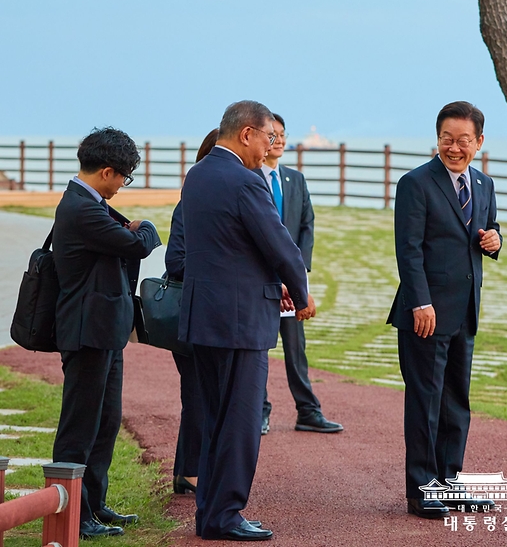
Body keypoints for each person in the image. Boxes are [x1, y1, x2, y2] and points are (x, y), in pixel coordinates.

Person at [178, 100, 315, 542]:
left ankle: (210, 514)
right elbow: (278, 244)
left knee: (214, 419)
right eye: (267, 138)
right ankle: (226, 515)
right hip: (240, 323)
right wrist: (301, 291)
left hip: (203, 317)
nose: (269, 147)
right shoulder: (245, 180)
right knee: (239, 423)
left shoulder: (196, 175)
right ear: (246, 134)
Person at [387, 101, 502, 519]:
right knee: (425, 402)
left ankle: (451, 485)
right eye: (447, 139)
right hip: (425, 314)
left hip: (465, 313)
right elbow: (409, 251)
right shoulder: (415, 184)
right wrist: (421, 302)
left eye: (464, 141)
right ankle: (421, 492)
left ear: (480, 142)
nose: (455, 148)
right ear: (437, 139)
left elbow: (490, 228)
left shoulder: (484, 184)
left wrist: (495, 241)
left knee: (456, 403)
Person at [52, 127, 161, 539]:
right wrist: (145, 226)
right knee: (80, 427)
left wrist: (134, 231)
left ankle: (93, 504)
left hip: (105, 332)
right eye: (123, 177)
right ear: (107, 172)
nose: (121, 186)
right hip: (86, 332)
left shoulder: (90, 204)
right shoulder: (82, 209)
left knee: (105, 422)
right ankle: (72, 513)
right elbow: (138, 245)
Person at [257, 113, 342, 435]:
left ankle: (308, 411)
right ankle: (260, 410)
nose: (278, 140)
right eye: (272, 134)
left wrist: (299, 274)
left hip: (292, 282)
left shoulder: (295, 179)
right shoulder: (248, 177)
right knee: (260, 348)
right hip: (260, 281)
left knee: (296, 348)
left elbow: (307, 227)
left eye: (282, 134)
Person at [164, 127, 220, 496]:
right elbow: (175, 261)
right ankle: (191, 472)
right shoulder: (186, 206)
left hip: (221, 315)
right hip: (194, 313)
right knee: (198, 395)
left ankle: (189, 470)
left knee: (206, 395)